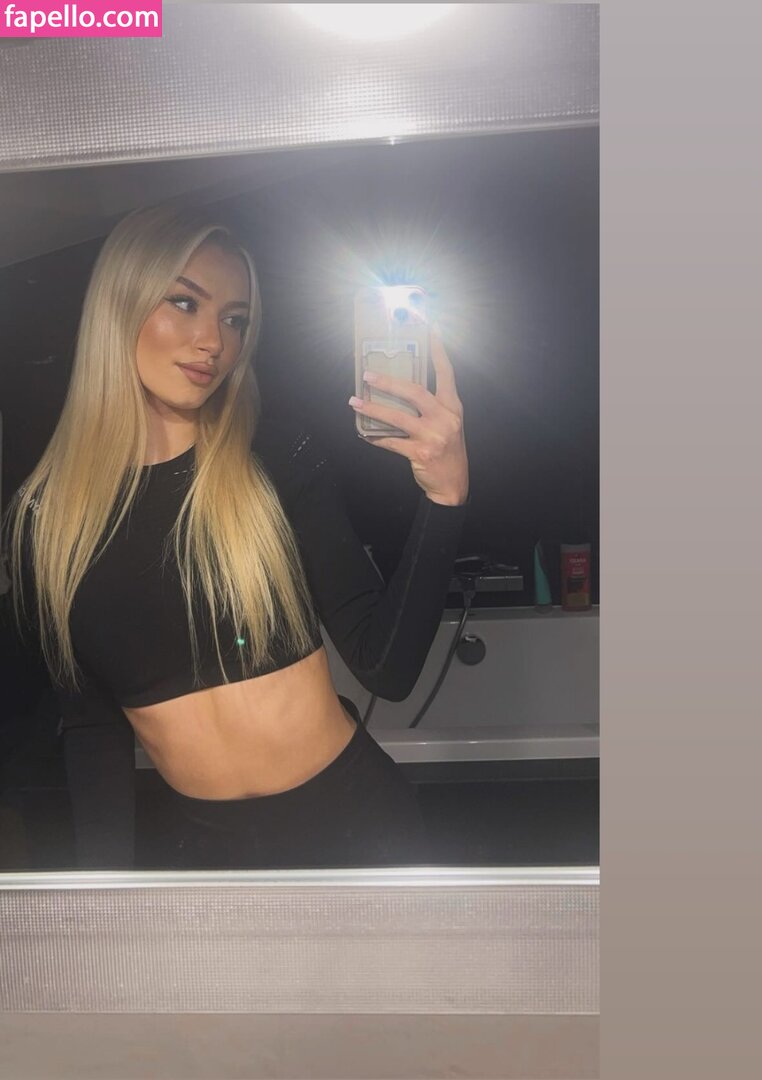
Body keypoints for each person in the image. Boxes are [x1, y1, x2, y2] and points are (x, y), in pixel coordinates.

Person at [5, 204, 469, 871]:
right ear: (119, 303)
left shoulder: (273, 458)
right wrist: (103, 899)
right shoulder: (46, 522)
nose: (213, 342)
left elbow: (386, 669)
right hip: (200, 853)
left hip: (359, 827)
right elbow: (92, 730)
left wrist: (445, 500)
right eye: (184, 303)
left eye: (234, 319)